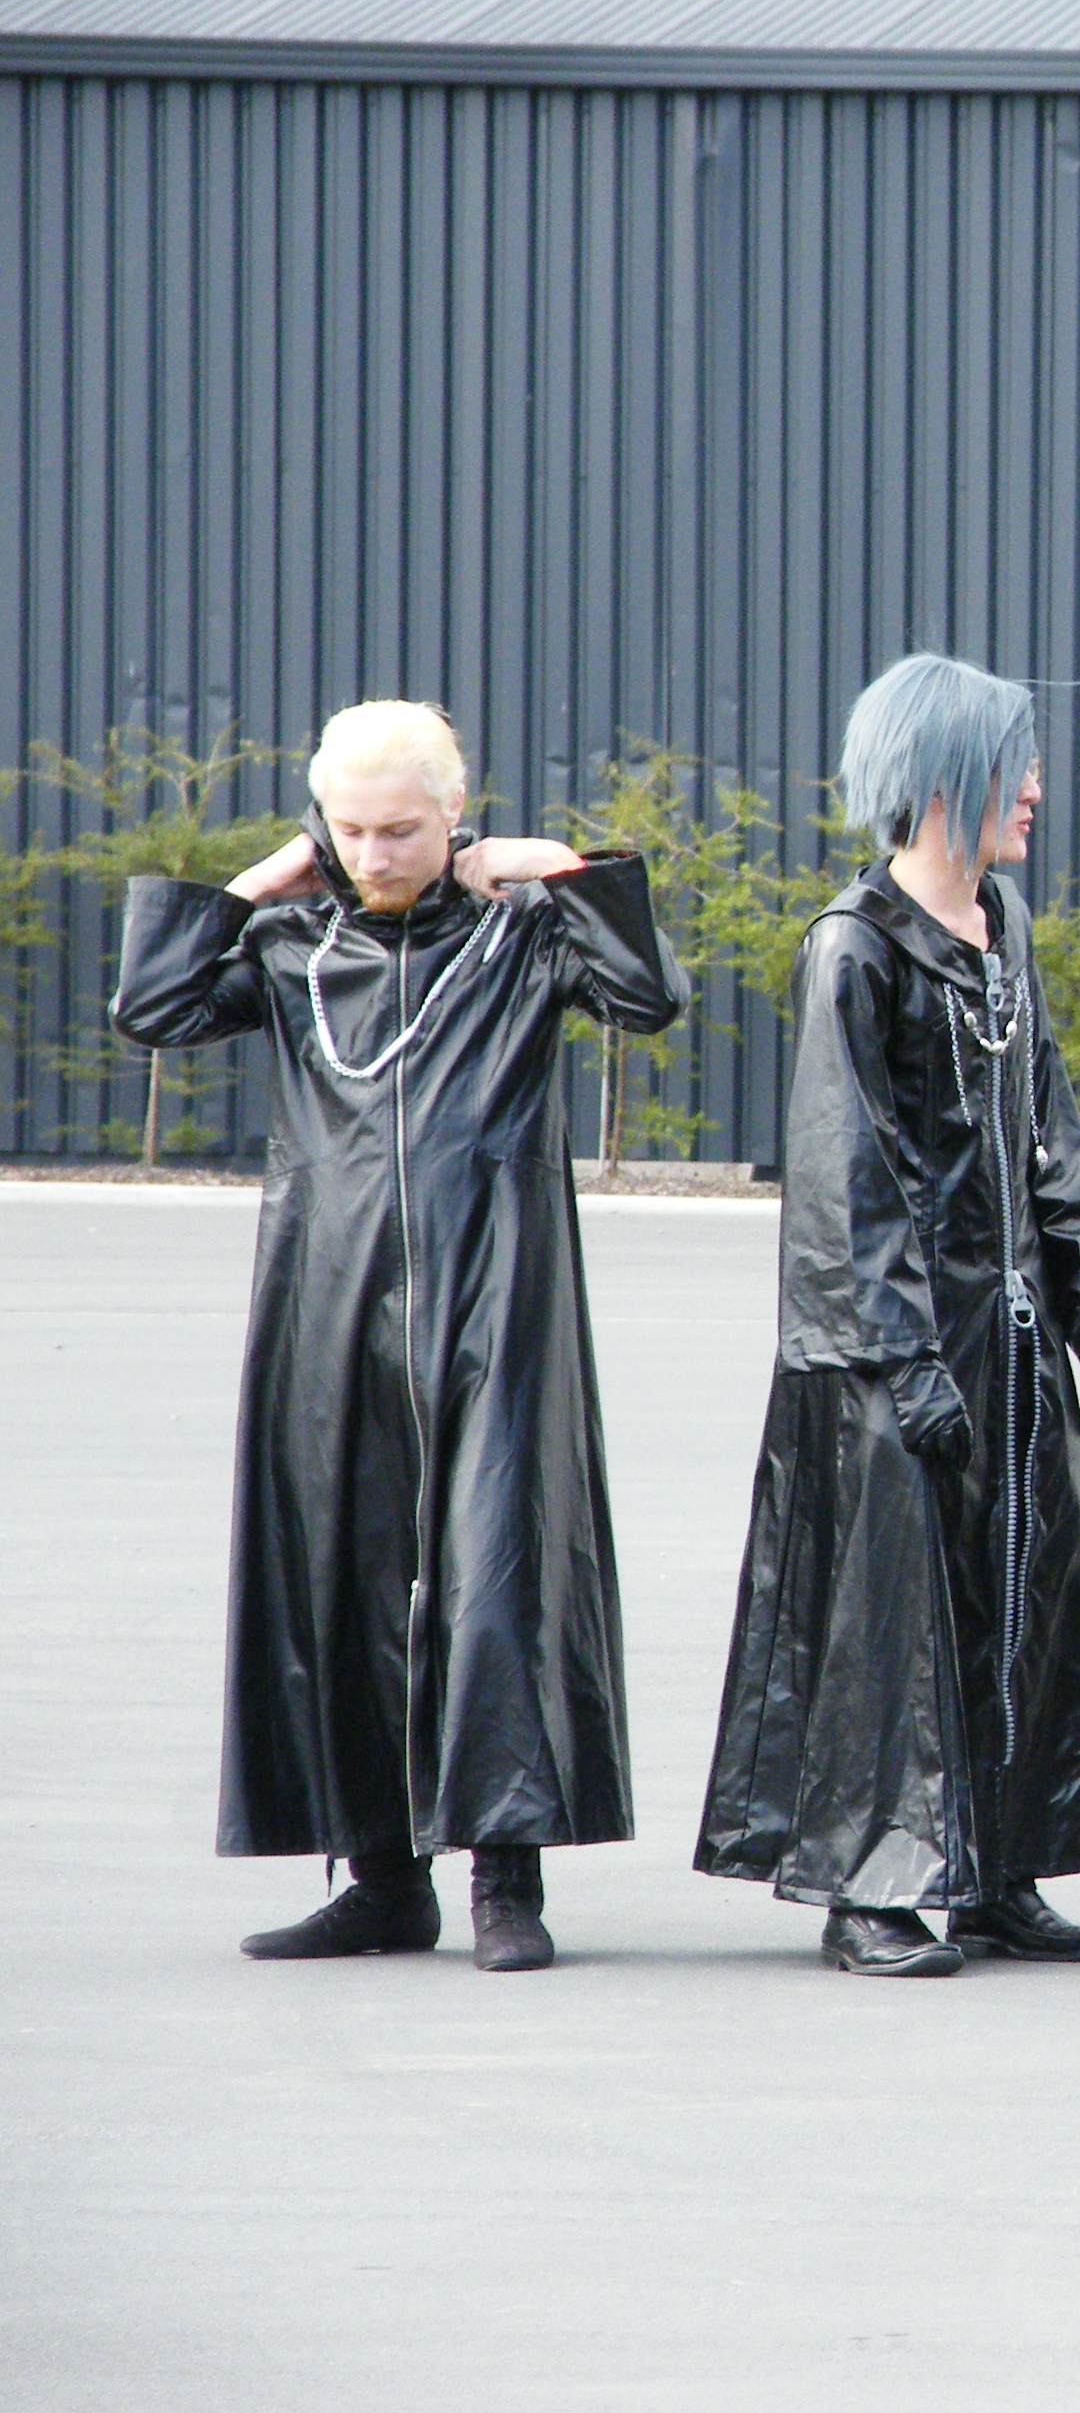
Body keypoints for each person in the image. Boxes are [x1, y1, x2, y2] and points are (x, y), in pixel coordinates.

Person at [111, 698, 689, 1971]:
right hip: (330, 1308)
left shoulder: (521, 939)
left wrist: (558, 869)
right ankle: (381, 1877)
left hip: (496, 1303)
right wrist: (261, 880)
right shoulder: (294, 946)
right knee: (345, 1578)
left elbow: (647, 998)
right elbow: (151, 1008)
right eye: (353, 830)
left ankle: (506, 1876)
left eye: (402, 831)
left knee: (498, 1576)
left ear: (454, 817)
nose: (375, 855)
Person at [696, 654, 1080, 1978]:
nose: (1035, 788)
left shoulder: (1003, 926)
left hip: (1008, 1337)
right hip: (893, 1353)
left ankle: (998, 1874)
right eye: (1014, 765)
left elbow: (1047, 1128)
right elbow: (845, 1176)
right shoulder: (857, 948)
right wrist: (904, 1359)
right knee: (890, 1620)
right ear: (942, 777)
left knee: (1019, 1596)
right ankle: (866, 1890)